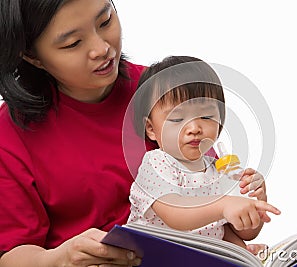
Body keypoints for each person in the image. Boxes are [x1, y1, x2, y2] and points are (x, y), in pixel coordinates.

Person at [0, 0, 154, 266]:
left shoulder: (161, 92)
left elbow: (210, 191)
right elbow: (14, 253)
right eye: (72, 43)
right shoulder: (10, 135)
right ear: (31, 56)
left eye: (105, 21)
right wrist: (62, 258)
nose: (102, 48)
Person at [127, 55, 281, 252]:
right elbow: (175, 215)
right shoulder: (156, 163)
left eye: (207, 116)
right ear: (151, 129)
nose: (194, 128)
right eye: (177, 118)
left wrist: (255, 203)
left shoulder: (220, 171)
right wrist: (225, 204)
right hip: (153, 257)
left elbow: (244, 232)